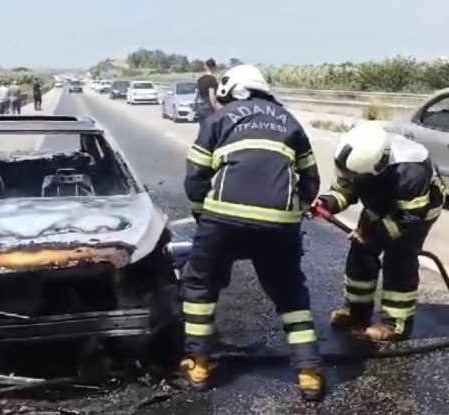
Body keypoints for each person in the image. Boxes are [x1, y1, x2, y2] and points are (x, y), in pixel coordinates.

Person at [180, 64, 325, 401]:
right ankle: (309, 373)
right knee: (291, 293)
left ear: (230, 92)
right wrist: (292, 211)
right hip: (278, 225)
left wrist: (205, 217)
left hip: (223, 219)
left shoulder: (218, 120)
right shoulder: (290, 121)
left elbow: (195, 177)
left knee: (200, 285)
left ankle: (200, 366)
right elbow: (311, 179)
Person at [313, 122, 445, 342]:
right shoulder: (356, 157)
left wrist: (373, 236)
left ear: (377, 168)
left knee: (399, 258)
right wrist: (327, 203)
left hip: (416, 212)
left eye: (356, 176)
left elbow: (408, 220)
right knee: (361, 252)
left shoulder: (411, 170)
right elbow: (344, 190)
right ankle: (357, 312)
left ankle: (396, 324)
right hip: (378, 206)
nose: (351, 178)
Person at [194, 58, 219, 125]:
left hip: (201, 107)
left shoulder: (200, 79)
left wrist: (195, 106)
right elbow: (211, 95)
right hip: (208, 107)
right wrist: (215, 108)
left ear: (206, 67)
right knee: (210, 129)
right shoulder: (212, 79)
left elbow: (196, 94)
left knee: (203, 128)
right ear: (214, 67)